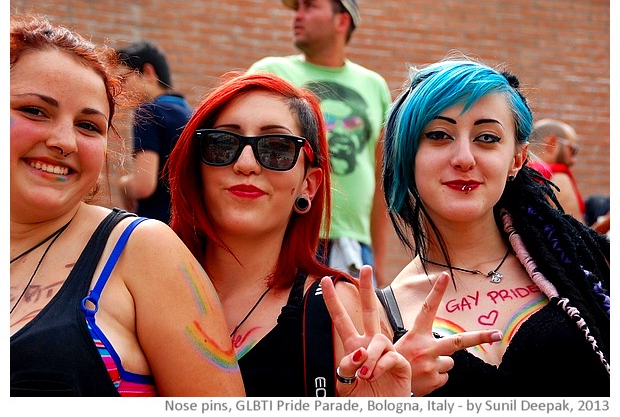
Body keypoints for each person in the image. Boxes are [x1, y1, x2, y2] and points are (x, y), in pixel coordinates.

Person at [165, 71, 501, 397]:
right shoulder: (139, 281)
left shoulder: (339, 310)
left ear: (309, 185)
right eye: (223, 144)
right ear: (196, 167)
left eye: (277, 148)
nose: (247, 163)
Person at [10, 14, 244, 397]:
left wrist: (123, 184)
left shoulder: (143, 248)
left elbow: (144, 181)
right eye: (35, 111)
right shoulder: (184, 112)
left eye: (89, 126)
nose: (64, 141)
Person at [379, 58, 610, 396]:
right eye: (438, 135)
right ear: (407, 153)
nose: (463, 158)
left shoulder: (584, 267)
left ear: (517, 158)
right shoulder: (380, 317)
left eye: (486, 137)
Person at [248, 0, 391, 286]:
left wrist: (378, 261)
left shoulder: (374, 86)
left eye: (310, 6)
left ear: (341, 21)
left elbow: (381, 179)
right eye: (297, 7)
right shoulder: (270, 71)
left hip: (353, 246)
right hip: (286, 234)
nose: (297, 16)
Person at [117, 40, 192, 224]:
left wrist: (123, 185)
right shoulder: (188, 113)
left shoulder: (148, 111)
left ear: (148, 73)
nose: (121, 90)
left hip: (156, 226)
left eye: (124, 79)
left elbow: (143, 186)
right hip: (187, 227)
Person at [528, 118, 586, 223]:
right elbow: (576, 235)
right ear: (552, 143)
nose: (574, 160)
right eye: (572, 150)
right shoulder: (557, 176)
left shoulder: (512, 172)